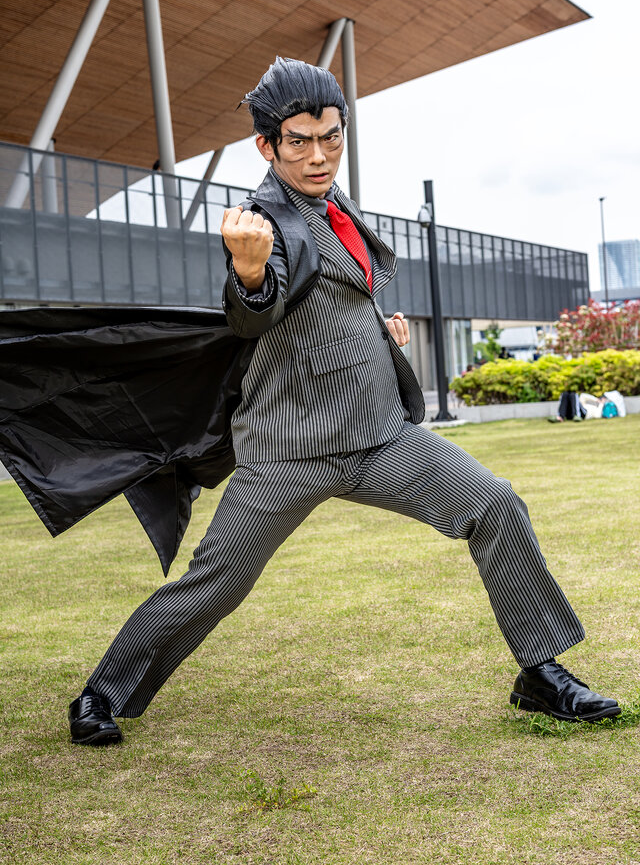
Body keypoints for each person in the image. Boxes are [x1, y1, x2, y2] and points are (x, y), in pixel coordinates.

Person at [69, 58, 620, 745]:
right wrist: (245, 270)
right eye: (298, 140)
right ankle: (101, 693)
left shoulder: (335, 203)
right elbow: (255, 305)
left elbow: (335, 288)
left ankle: (540, 672)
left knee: (495, 502)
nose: (318, 154)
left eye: (330, 136)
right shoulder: (264, 216)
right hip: (288, 451)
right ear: (267, 146)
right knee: (215, 584)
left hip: (380, 435)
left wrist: (375, 328)